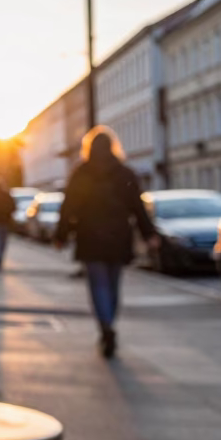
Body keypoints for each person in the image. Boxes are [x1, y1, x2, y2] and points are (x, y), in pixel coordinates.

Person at [54, 126, 158, 358]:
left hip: (90, 237)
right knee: (113, 285)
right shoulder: (125, 174)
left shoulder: (81, 173)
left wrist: (61, 235)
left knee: (97, 285)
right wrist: (149, 234)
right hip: (119, 237)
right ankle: (110, 322)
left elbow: (68, 207)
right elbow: (138, 208)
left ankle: (105, 326)